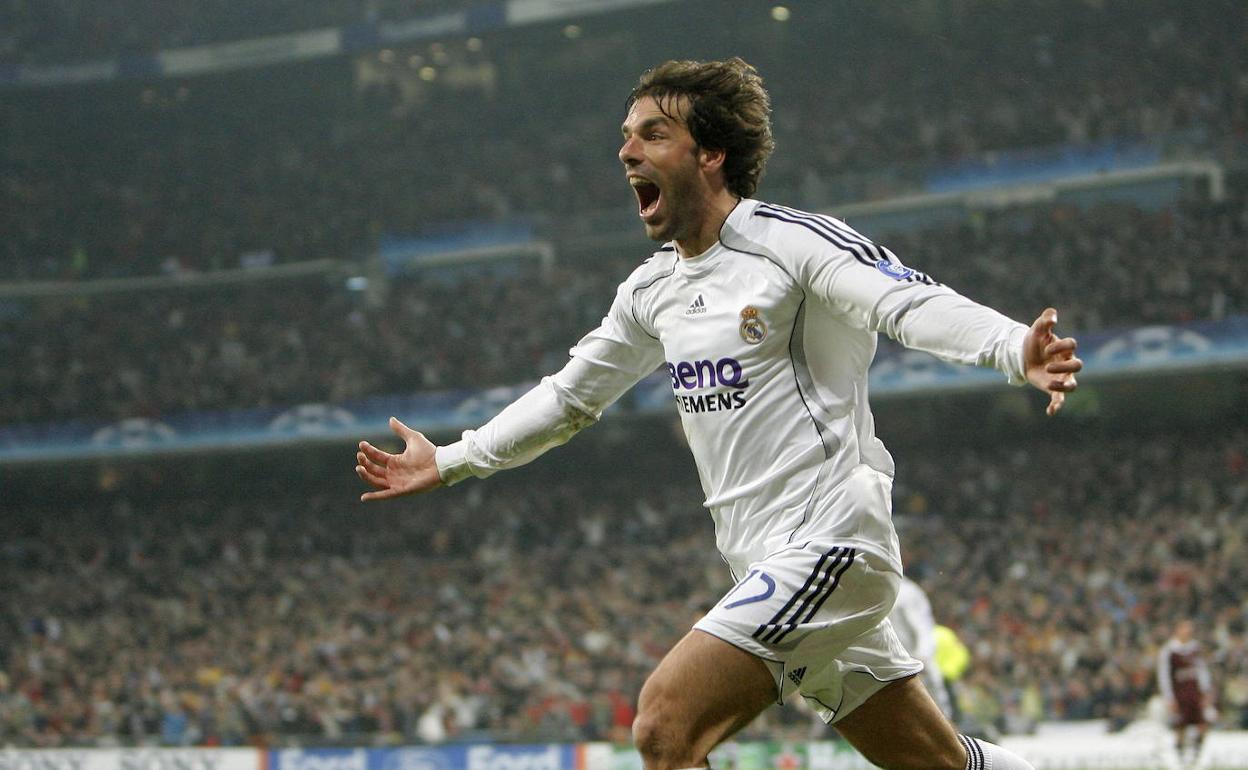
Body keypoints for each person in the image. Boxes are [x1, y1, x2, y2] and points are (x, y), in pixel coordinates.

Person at [354, 58, 1081, 770]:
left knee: (664, 726)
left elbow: (904, 301)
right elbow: (570, 397)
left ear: (710, 154)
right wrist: (450, 460)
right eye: (626, 135)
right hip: (759, 561)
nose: (627, 150)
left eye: (652, 134)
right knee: (936, 762)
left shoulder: (792, 245)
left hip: (832, 542)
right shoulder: (653, 291)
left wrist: (1013, 347)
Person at [889, 576, 953, 719]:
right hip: (893, 666)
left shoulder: (906, 592)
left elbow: (923, 628)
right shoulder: (874, 589)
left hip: (916, 663)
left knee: (936, 714)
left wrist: (922, 655)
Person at [1158, 619, 1216, 768]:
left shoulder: (1195, 648)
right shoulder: (1169, 651)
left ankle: (1196, 755)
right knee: (1180, 726)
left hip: (1194, 692)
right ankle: (1180, 758)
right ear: (1177, 630)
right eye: (1185, 628)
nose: (1188, 631)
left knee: (1202, 724)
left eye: (1189, 628)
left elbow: (1202, 671)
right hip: (1179, 693)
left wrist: (1206, 691)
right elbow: (1164, 676)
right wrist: (1169, 698)